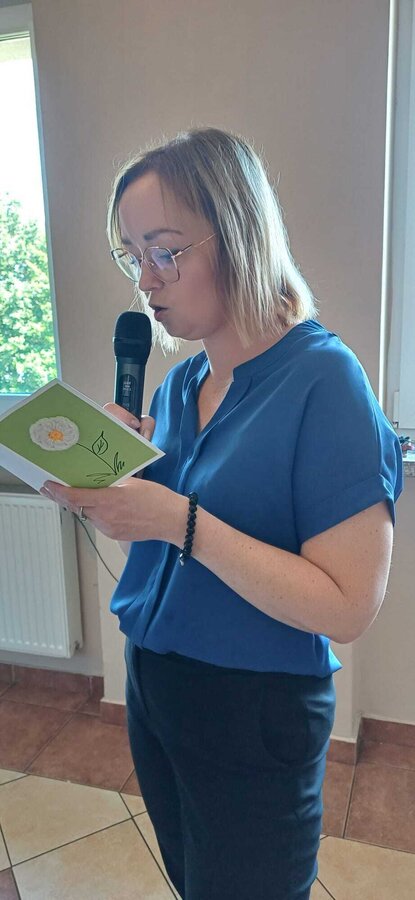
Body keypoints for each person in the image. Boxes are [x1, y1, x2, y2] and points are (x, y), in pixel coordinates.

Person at [41, 127, 403, 899]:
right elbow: (165, 549)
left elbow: (346, 607)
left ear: (238, 235)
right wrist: (112, 502)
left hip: (252, 709)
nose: (146, 280)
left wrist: (178, 520)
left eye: (165, 251)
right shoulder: (180, 385)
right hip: (156, 685)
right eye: (132, 256)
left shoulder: (325, 383)